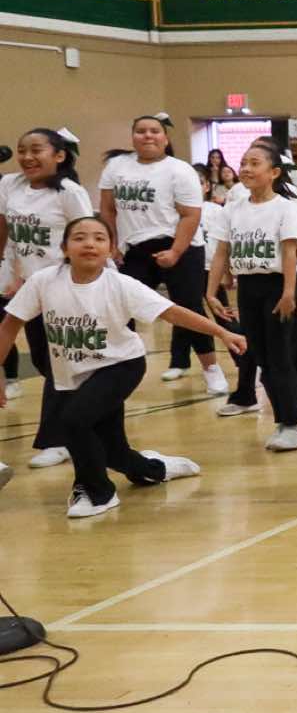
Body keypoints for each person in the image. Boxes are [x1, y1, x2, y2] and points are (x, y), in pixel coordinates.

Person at [0, 214, 237, 516]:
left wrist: (222, 333)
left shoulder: (122, 285)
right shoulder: (43, 281)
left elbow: (174, 313)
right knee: (113, 452)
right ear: (65, 247)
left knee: (72, 421)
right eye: (79, 238)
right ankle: (157, 468)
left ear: (111, 249)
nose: (89, 244)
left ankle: (98, 493)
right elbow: (9, 326)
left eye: (99, 238)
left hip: (120, 365)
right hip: (72, 373)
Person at [99, 114, 228, 395]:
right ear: (133, 137)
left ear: (165, 138)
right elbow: (107, 209)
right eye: (141, 131)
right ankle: (116, 369)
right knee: (120, 306)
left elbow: (190, 215)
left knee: (188, 308)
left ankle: (211, 369)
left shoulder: (179, 170)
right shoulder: (117, 167)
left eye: (154, 131)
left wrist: (175, 252)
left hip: (180, 245)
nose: (147, 135)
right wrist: (112, 244)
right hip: (135, 248)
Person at [207, 140, 297, 452]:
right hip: (248, 287)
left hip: (276, 286)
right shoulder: (232, 209)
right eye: (243, 163)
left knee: (280, 357)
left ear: (274, 172)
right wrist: (211, 292)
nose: (246, 168)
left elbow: (290, 252)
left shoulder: (286, 208)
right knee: (261, 357)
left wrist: (290, 292)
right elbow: (221, 252)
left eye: (255, 163)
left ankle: (294, 424)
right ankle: (285, 421)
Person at [2, 128, 98, 467]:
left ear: (59, 155)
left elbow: (88, 237)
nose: (27, 157)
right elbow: (6, 232)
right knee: (47, 361)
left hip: (65, 285)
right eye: (22, 150)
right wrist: (8, 272)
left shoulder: (69, 192)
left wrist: (89, 285)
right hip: (31, 287)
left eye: (36, 150)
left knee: (61, 363)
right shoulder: (9, 185)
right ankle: (85, 423)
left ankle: (59, 439)